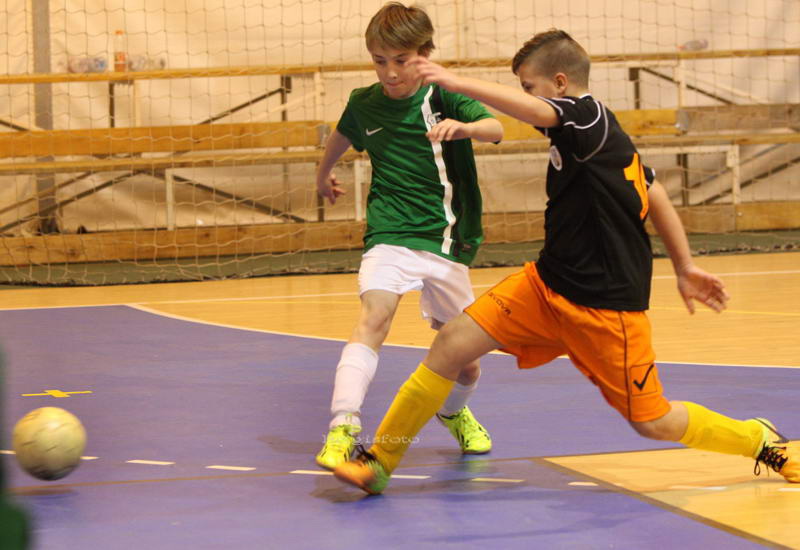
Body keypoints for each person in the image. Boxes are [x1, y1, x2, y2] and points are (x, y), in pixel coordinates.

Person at [333, 29, 798, 494]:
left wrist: (453, 81)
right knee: (451, 343)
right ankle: (380, 459)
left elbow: (539, 112)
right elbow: (652, 189)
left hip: (606, 308)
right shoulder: (594, 138)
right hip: (545, 285)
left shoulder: (587, 115)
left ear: (559, 84)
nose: (525, 98)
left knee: (652, 421)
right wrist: (685, 267)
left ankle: (757, 438)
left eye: (529, 87)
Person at [314, 2, 504, 470]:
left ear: (424, 54)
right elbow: (343, 134)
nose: (390, 72)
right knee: (373, 318)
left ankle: (453, 412)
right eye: (380, 61)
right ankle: (342, 426)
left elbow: (497, 128)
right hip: (390, 232)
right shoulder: (364, 103)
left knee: (467, 361)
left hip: (446, 240)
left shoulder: (444, 96)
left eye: (401, 60)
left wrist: (467, 128)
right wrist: (323, 172)